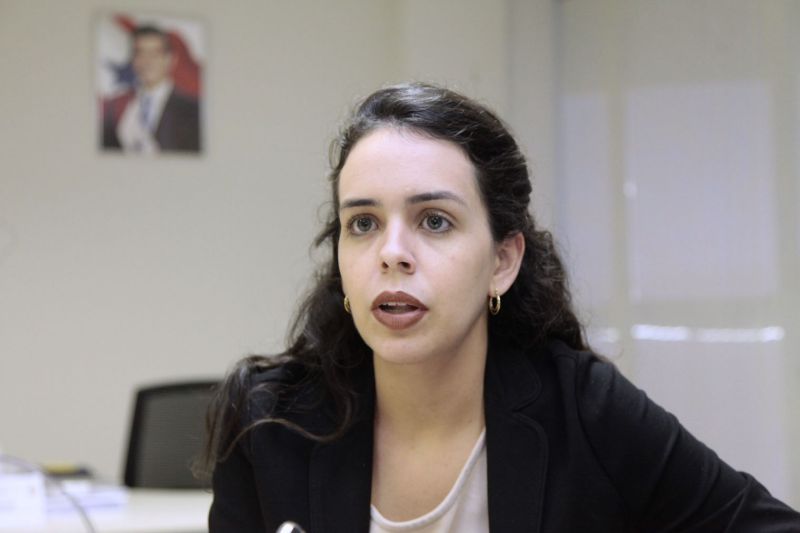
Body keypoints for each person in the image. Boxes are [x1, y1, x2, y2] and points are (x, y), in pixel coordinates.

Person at [203, 83, 800, 532]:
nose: (391, 254)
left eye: (434, 221)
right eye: (362, 223)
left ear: (502, 261)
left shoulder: (582, 409)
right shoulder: (267, 420)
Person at [101, 25, 200, 154]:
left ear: (170, 59)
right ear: (133, 60)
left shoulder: (193, 109)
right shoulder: (114, 106)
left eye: (154, 54)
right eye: (140, 53)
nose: (146, 61)